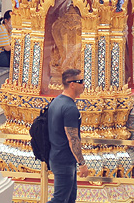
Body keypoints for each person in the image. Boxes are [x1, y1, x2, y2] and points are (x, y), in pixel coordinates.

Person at [47, 68, 90, 203]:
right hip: (64, 161)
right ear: (72, 84)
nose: (83, 84)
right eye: (81, 81)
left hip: (58, 157)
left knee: (70, 199)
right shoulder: (70, 108)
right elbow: (73, 139)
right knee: (59, 200)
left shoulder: (56, 101)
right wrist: (82, 163)